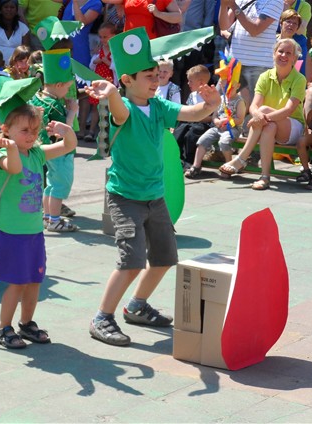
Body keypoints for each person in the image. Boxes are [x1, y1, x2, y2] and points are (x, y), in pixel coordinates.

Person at [85, 27, 220, 346]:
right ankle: (102, 317)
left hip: (154, 197)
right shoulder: (124, 108)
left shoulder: (158, 106)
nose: (155, 78)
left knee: (164, 257)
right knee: (130, 260)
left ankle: (136, 306)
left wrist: (210, 105)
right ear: (127, 80)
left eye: (156, 73)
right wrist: (111, 92)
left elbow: (193, 112)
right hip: (125, 198)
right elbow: (118, 112)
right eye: (148, 75)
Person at [0, 77, 78, 348]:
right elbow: (13, 169)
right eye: (25, 130)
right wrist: (12, 147)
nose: (31, 135)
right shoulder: (0, 153)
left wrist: (66, 129)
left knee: (34, 281)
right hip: (12, 233)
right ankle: (3, 327)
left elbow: (67, 146)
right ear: (6, 130)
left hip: (34, 232)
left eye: (34, 130)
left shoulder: (36, 153)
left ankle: (26, 324)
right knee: (16, 284)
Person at [219, 39, 306, 190]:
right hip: (268, 124)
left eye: (288, 53)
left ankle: (241, 158)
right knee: (269, 126)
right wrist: (258, 116)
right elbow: (253, 106)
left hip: (293, 128)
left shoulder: (299, 79)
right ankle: (265, 177)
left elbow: (289, 110)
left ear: (294, 58)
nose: (283, 55)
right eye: (280, 51)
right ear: (273, 54)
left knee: (264, 112)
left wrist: (260, 116)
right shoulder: (265, 76)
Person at [30, 49, 79, 232]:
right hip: (61, 150)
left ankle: (47, 217)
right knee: (60, 186)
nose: (68, 91)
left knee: (50, 184)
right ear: (58, 84)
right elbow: (62, 132)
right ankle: (55, 221)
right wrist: (72, 112)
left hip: (46, 149)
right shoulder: (56, 105)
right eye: (67, 87)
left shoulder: (38, 98)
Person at [219, 0, 283, 113]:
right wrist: (224, 5)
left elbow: (255, 30)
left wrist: (233, 5)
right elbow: (224, 26)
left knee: (256, 111)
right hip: (234, 63)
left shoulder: (275, 1)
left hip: (260, 66)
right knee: (222, 106)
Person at [185, 79, 246, 179]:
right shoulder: (221, 99)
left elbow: (240, 119)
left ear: (238, 85)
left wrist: (227, 121)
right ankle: (196, 166)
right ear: (221, 86)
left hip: (232, 128)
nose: (228, 90)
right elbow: (214, 116)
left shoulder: (239, 101)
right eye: (225, 87)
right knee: (202, 140)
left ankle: (229, 165)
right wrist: (217, 121)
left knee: (224, 142)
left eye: (231, 87)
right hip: (218, 127)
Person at [172, 65, 212, 167]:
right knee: (179, 130)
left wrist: (200, 117)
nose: (188, 83)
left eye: (191, 81)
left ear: (201, 83)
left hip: (204, 122)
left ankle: (189, 161)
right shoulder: (192, 95)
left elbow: (211, 115)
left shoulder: (209, 96)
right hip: (190, 120)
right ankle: (177, 158)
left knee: (192, 134)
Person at [86, 22, 117, 142]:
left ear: (113, 36)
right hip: (98, 80)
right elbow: (91, 64)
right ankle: (92, 131)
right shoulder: (99, 49)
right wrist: (95, 61)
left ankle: (108, 134)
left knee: (110, 108)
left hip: (110, 83)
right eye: (101, 37)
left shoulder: (115, 50)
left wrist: (107, 62)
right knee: (96, 107)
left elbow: (117, 67)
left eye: (105, 37)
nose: (102, 39)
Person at [102, 0, 182, 39]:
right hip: (130, 43)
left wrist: (158, 14)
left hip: (151, 45)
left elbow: (178, 17)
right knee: (131, 71)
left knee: (149, 72)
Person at [0, 0, 30, 65]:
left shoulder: (24, 28)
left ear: (16, 11)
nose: (9, 9)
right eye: (6, 7)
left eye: (12, 7)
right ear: (1, 10)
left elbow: (26, 52)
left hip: (16, 67)